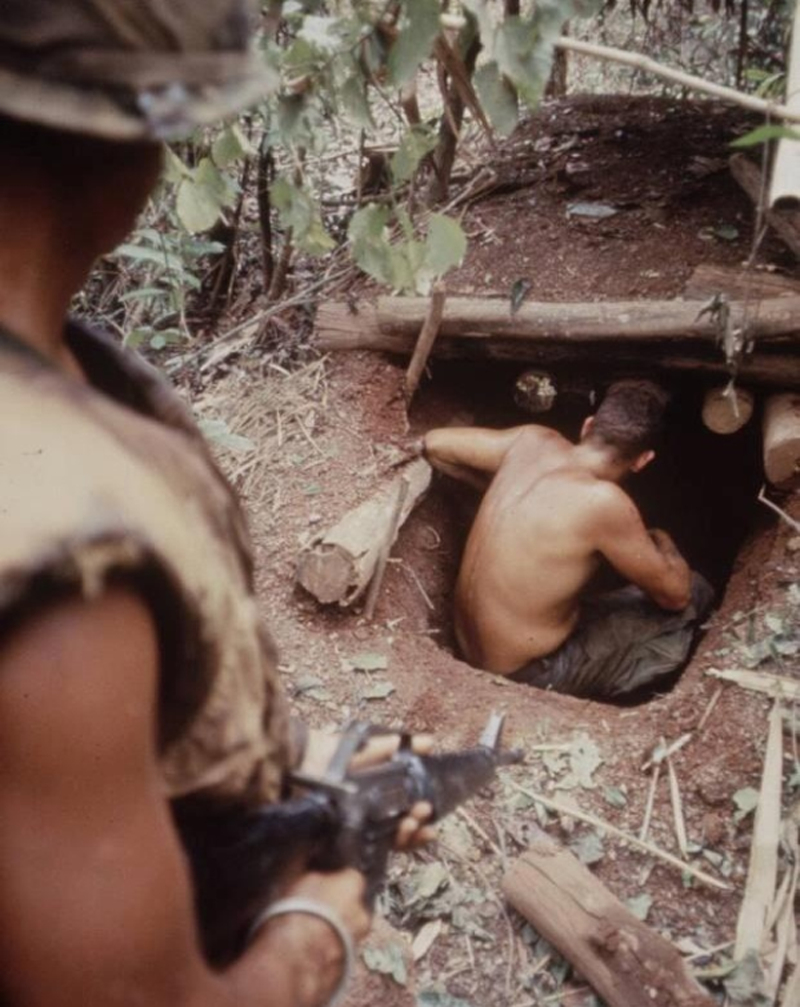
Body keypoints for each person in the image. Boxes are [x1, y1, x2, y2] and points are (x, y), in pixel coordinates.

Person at [0, 4, 431, 1007]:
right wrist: (319, 928)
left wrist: (288, 768)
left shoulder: (65, 380)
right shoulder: (65, 555)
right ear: (132, 157)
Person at [421, 380, 714, 699]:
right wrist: (663, 539)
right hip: (526, 673)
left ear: (587, 426)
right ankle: (650, 694)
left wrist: (497, 489)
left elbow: (435, 445)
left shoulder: (532, 440)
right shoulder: (604, 502)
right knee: (697, 591)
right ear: (643, 460)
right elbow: (676, 596)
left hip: (468, 647)